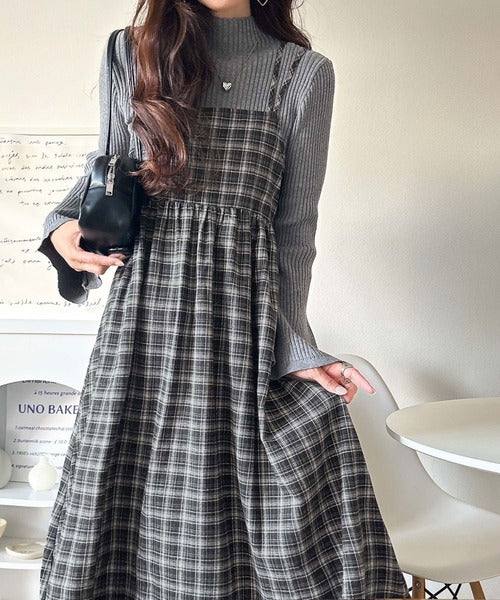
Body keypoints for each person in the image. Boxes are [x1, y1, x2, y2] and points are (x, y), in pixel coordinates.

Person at [36, 0, 411, 598]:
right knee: (124, 530)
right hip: (141, 336)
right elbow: (103, 178)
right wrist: (60, 227)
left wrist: (293, 349)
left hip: (237, 337)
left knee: (243, 521)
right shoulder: (129, 51)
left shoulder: (303, 74)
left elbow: (294, 230)